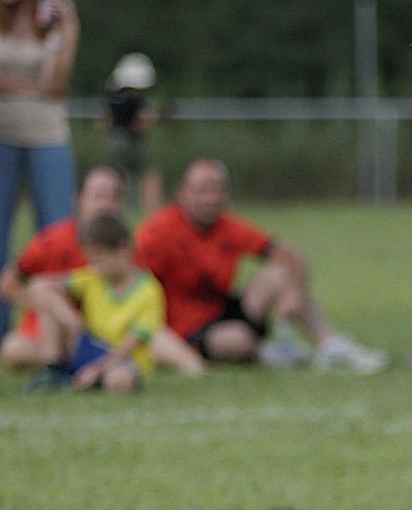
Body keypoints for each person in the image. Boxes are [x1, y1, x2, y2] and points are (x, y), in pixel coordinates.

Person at [135, 159, 389, 371]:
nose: (212, 198)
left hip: (222, 311)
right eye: (203, 190)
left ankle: (330, 343)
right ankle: (270, 353)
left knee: (282, 272)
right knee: (237, 341)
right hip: (184, 329)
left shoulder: (228, 226)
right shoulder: (159, 231)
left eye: (218, 190)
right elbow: (134, 283)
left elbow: (290, 255)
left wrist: (293, 292)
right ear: (183, 193)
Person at [1, 166, 202, 374]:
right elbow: (9, 284)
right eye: (98, 196)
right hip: (61, 327)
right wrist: (55, 309)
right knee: (14, 349)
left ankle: (190, 367)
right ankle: (63, 362)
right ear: (78, 199)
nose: (106, 205)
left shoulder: (126, 246)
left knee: (152, 333)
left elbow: (145, 290)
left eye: (114, 197)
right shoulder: (52, 241)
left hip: (114, 326)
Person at [0, 0, 78, 336]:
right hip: (2, 136)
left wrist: (69, 33)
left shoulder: (54, 15)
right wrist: (30, 89)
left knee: (57, 234)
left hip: (48, 135)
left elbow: (55, 86)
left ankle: (55, 331)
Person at [25, 213, 161, 394]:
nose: (94, 265)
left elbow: (132, 343)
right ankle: (51, 367)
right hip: (88, 346)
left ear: (122, 250)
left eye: (99, 258)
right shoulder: (93, 278)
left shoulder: (149, 290)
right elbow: (39, 285)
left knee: (119, 380)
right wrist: (71, 321)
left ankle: (84, 378)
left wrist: (98, 369)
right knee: (46, 297)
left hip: (124, 358)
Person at [102, 52, 164, 214]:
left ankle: (115, 210)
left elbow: (107, 121)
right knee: (147, 173)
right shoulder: (135, 100)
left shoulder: (113, 97)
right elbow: (139, 124)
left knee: (117, 177)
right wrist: (156, 116)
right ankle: (150, 210)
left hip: (114, 140)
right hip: (130, 141)